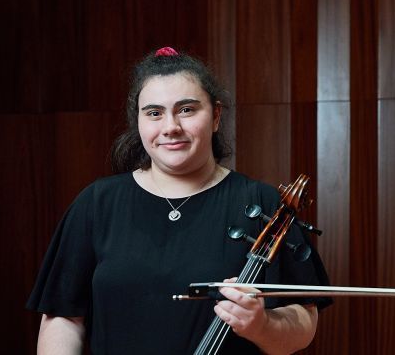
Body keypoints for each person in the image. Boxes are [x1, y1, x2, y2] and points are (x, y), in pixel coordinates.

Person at [26, 47, 331, 354]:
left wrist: (261, 325)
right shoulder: (97, 203)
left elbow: (303, 320)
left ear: (215, 116)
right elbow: (62, 319)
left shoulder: (262, 202)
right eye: (154, 113)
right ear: (140, 123)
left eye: (186, 110)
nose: (170, 127)